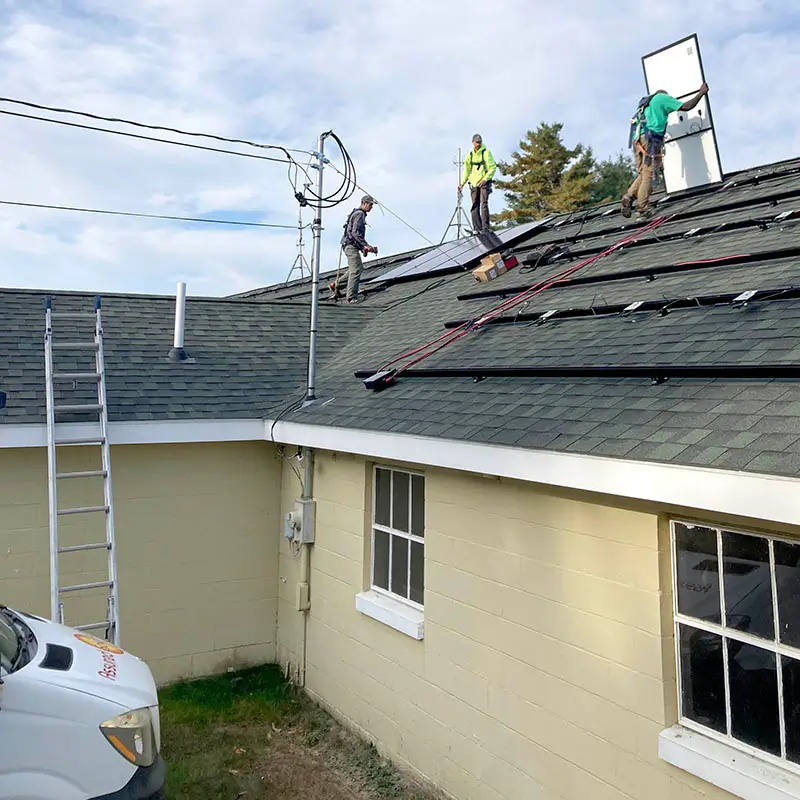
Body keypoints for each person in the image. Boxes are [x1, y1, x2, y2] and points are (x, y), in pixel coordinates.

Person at [620, 82, 710, 220]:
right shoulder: (662, 98)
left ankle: (629, 196)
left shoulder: (646, 105)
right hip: (651, 140)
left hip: (637, 141)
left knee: (644, 173)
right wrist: (701, 93)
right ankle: (642, 209)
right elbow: (686, 106)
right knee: (649, 175)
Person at [331, 195, 379, 303]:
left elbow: (354, 234)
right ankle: (351, 296)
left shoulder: (357, 213)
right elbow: (355, 233)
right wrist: (366, 245)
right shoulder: (360, 214)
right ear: (364, 203)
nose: (371, 207)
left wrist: (363, 248)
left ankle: (336, 285)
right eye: (370, 204)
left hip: (349, 245)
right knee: (356, 270)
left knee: (358, 268)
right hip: (350, 245)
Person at [459, 134, 497, 233]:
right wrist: (462, 184)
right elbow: (466, 171)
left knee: (484, 204)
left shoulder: (486, 153)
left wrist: (485, 179)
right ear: (473, 142)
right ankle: (477, 228)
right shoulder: (469, 155)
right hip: (473, 184)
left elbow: (492, 168)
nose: (478, 144)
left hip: (484, 183)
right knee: (474, 205)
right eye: (476, 142)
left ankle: (485, 227)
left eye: (480, 142)